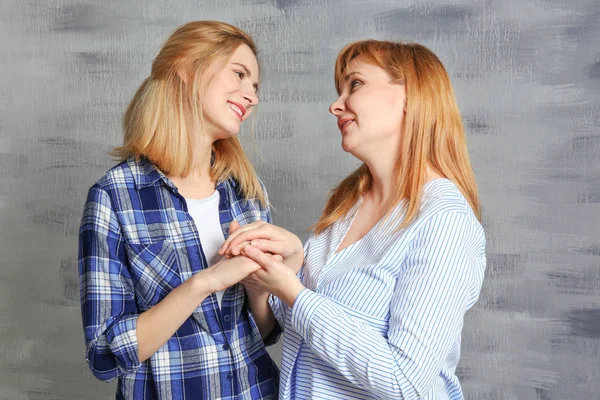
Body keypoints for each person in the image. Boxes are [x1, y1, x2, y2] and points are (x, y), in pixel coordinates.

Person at [220, 40, 487, 399]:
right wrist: (271, 274)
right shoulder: (347, 205)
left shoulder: (444, 222)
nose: (335, 105)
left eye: (355, 85)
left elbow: (404, 382)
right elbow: (302, 332)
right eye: (339, 90)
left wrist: (293, 292)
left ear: (411, 94)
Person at [78, 21, 280, 399]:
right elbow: (104, 354)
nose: (251, 96)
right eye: (239, 74)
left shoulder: (248, 193)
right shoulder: (115, 197)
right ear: (187, 68)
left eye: (255, 87)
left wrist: (262, 284)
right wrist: (205, 282)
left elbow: (267, 333)